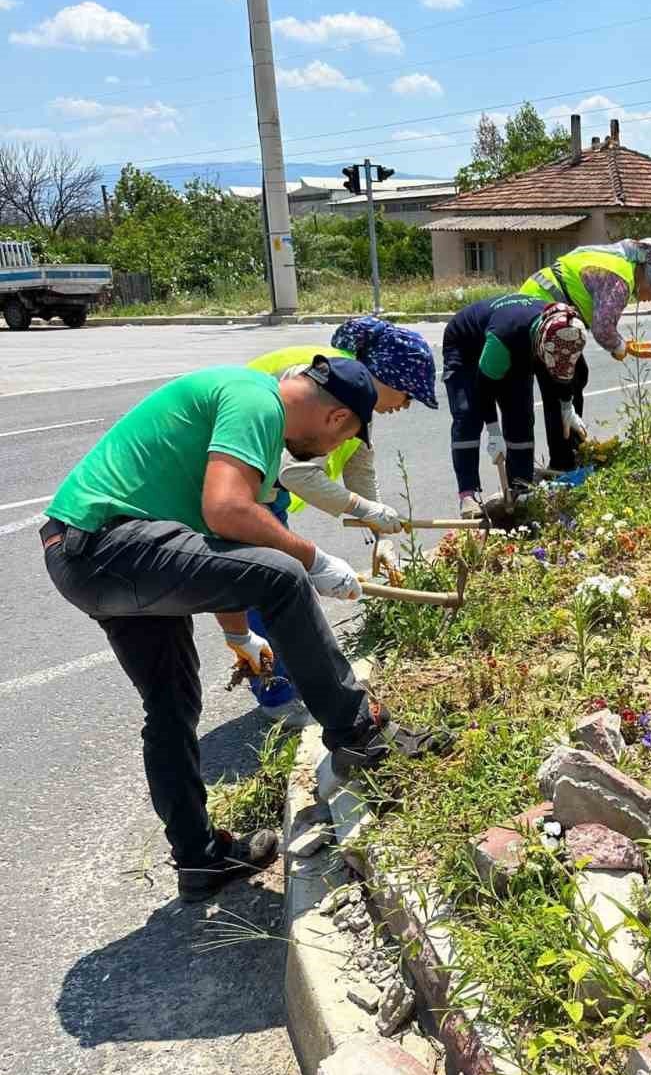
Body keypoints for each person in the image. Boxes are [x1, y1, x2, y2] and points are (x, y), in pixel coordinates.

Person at [41, 358, 398, 902]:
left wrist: (238, 635)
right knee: (284, 575)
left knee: (171, 702)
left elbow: (217, 545)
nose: (332, 452)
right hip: (109, 543)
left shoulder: (244, 399)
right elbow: (229, 511)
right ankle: (358, 732)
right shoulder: (258, 400)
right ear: (337, 417)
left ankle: (199, 858)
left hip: (82, 552)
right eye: (347, 435)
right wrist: (314, 558)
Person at [227, 320, 438, 717]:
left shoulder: (350, 394)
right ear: (385, 376)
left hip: (261, 483)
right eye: (408, 393)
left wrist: (382, 536)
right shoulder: (328, 389)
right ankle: (276, 697)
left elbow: (360, 467)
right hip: (239, 481)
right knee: (268, 583)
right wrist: (361, 512)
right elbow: (297, 472)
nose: (406, 404)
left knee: (277, 583)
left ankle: (287, 685)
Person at [519, 238, 651, 471]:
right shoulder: (621, 279)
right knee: (563, 386)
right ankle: (564, 465)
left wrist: (620, 343)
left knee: (578, 375)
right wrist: (620, 348)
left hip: (534, 301)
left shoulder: (615, 259)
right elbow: (603, 329)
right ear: (650, 276)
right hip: (540, 313)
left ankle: (571, 453)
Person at [440, 296, 586, 515]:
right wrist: (493, 431)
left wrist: (567, 406)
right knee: (468, 415)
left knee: (520, 416)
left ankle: (520, 488)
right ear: (540, 343)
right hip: (466, 346)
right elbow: (484, 388)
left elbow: (561, 372)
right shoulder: (505, 337)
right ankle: (467, 495)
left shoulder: (565, 333)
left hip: (514, 343)